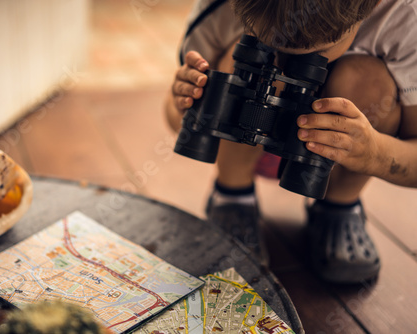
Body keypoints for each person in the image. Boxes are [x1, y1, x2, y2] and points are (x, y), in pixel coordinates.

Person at [165, 0, 417, 284]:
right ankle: (232, 196)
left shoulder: (406, 18)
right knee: (232, 64)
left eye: (314, 54)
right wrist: (187, 102)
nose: (284, 67)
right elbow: (175, 118)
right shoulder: (220, 8)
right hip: (240, 147)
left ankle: (339, 205)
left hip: (331, 159)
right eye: (267, 42)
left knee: (368, 78)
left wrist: (375, 153)